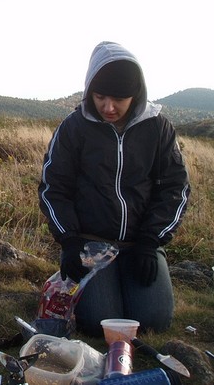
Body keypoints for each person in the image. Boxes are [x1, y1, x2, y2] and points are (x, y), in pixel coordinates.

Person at [38, 41, 190, 337]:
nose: (108, 107)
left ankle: (127, 277)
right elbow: (53, 188)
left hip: (139, 244)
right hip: (90, 244)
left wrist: (150, 240)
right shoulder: (73, 128)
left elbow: (175, 188)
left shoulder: (157, 128)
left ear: (136, 95)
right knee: (98, 321)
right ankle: (101, 284)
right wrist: (69, 240)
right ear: (89, 91)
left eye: (119, 99)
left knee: (153, 321)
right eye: (100, 97)